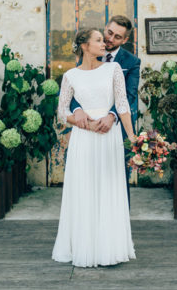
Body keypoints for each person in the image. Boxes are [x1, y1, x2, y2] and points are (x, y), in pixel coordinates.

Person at [52, 28, 137, 268]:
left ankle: (109, 247)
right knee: (85, 189)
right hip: (84, 139)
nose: (105, 43)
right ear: (85, 46)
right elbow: (62, 111)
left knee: (109, 188)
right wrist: (82, 121)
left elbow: (122, 106)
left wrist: (132, 139)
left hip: (109, 138)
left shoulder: (113, 70)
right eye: (99, 40)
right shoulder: (70, 76)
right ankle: (84, 246)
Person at [69, 15, 141, 201]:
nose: (110, 38)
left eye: (117, 37)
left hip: (116, 125)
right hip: (89, 126)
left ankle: (117, 224)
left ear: (124, 40)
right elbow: (76, 86)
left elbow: (129, 95)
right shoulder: (89, 54)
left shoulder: (132, 62)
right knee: (88, 176)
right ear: (105, 28)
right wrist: (77, 110)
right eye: (109, 32)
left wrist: (112, 116)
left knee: (116, 177)